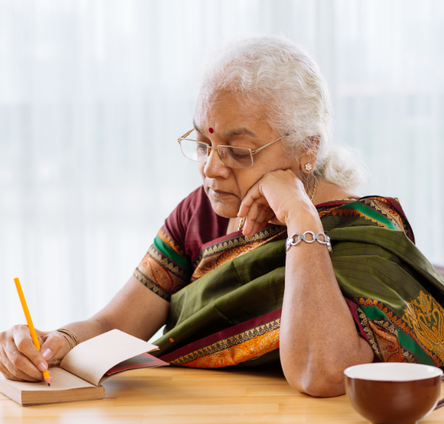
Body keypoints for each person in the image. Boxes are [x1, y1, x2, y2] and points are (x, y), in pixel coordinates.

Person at [1, 36, 444, 398]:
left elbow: (321, 373)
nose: (212, 168)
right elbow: (111, 326)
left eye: (237, 150)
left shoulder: (362, 232)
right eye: (201, 143)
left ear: (308, 148)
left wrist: (302, 221)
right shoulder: (202, 213)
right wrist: (55, 341)